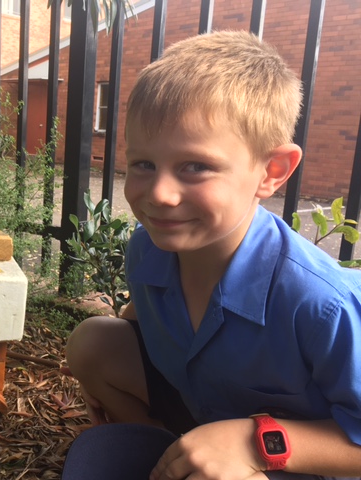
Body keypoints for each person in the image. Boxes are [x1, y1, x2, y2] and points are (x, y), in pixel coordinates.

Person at [62, 30, 361, 480]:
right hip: (201, 412)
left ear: (271, 172)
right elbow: (153, 313)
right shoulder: (150, 247)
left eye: (195, 167)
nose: (160, 194)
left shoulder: (320, 303)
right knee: (93, 342)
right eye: (144, 163)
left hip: (288, 459)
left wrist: (252, 444)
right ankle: (171, 457)